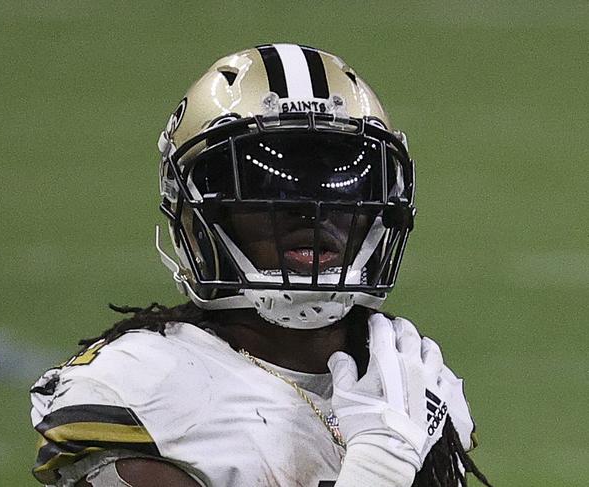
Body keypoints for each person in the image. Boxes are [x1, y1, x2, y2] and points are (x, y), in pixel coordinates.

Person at [30, 44, 491, 487]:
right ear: (199, 214)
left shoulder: (406, 375)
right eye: (270, 184)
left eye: (344, 181)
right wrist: (377, 471)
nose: (314, 209)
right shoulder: (141, 388)